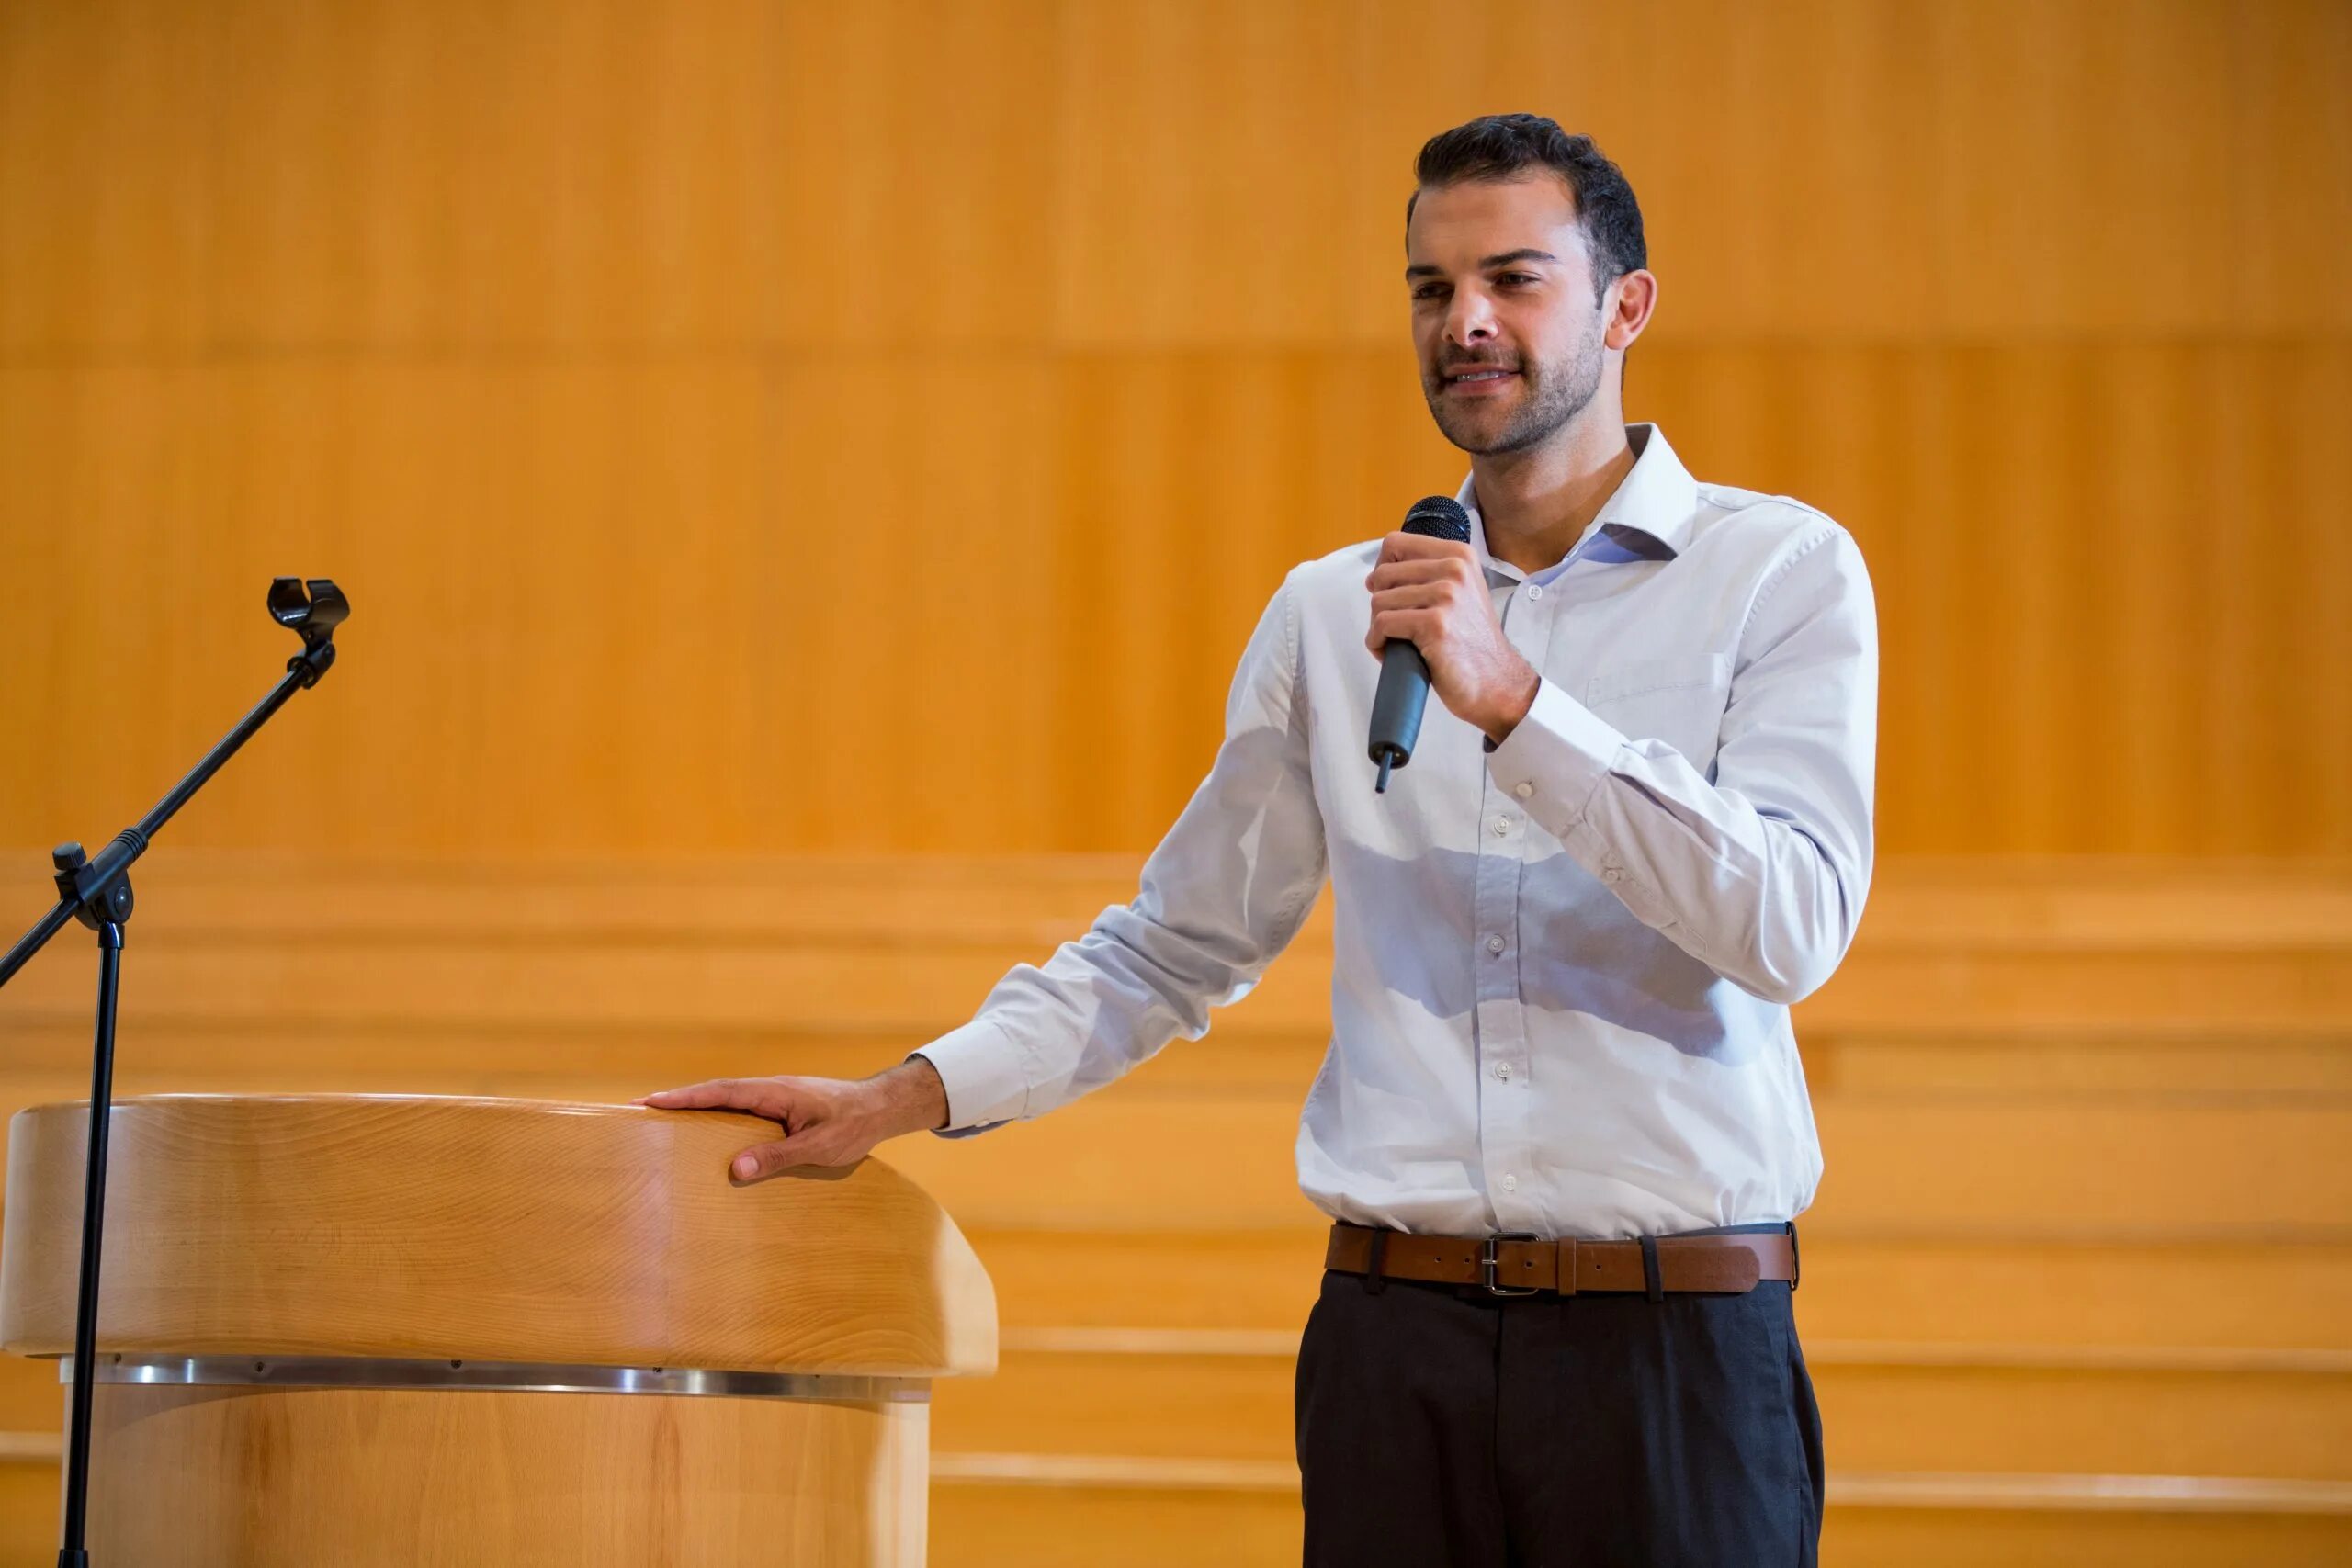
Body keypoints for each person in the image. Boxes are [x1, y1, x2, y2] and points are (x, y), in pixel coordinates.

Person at [644, 112, 1874, 1567]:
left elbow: (1792, 922)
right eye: (1430, 288)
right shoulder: (1331, 610)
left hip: (1675, 1349)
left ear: (1626, 307)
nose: (1465, 321)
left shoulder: (1778, 570)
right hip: (1390, 1341)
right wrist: (907, 1095)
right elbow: (1176, 942)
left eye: (1514, 279)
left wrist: (1522, 707)